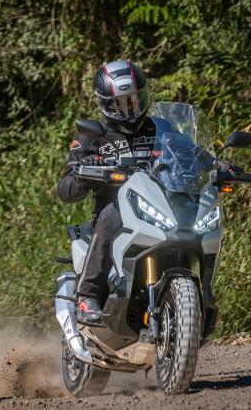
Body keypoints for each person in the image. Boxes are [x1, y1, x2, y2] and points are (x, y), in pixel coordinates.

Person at [56, 60, 172, 325]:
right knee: (112, 216)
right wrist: (85, 171)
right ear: (105, 104)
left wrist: (213, 163)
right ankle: (88, 295)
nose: (130, 108)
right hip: (117, 208)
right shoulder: (93, 136)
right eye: (120, 103)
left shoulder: (161, 128)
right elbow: (65, 189)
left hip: (162, 206)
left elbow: (187, 152)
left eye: (134, 99)